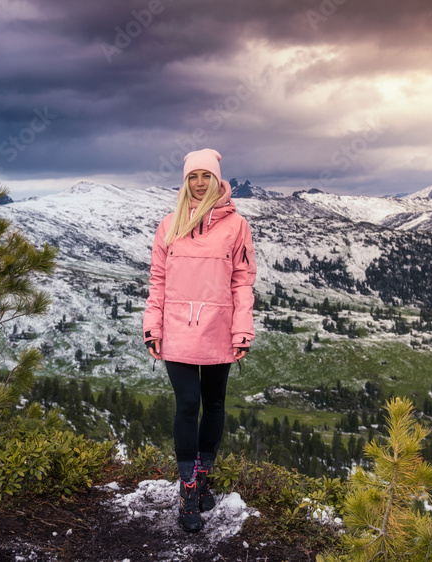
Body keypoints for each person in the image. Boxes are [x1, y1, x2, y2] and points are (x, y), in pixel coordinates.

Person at [142, 148, 257, 533]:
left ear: (217, 178)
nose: (200, 182)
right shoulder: (168, 225)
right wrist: (152, 326)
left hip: (219, 328)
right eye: (193, 176)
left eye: (206, 175)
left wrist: (242, 328)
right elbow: (157, 281)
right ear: (186, 181)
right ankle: (188, 488)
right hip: (176, 327)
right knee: (188, 403)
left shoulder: (237, 225)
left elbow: (242, 281)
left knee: (215, 403)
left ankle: (203, 475)